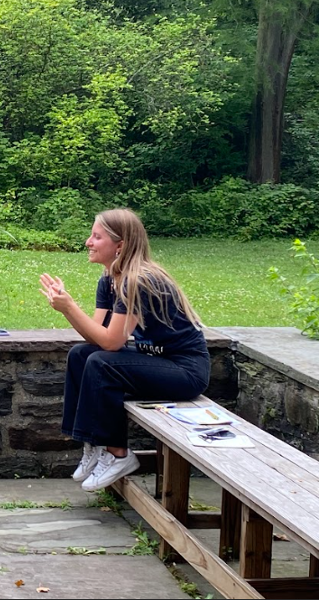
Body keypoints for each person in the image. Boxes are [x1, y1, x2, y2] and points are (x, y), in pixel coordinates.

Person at [40, 208, 209, 492]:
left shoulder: (137, 280)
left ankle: (119, 454)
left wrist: (69, 308)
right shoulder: (109, 279)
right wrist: (66, 308)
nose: (88, 242)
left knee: (102, 363)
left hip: (185, 371)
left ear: (120, 245)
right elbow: (96, 337)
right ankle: (93, 444)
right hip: (155, 362)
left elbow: (111, 343)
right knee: (81, 355)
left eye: (97, 236)